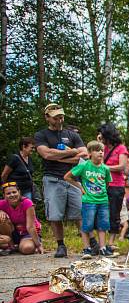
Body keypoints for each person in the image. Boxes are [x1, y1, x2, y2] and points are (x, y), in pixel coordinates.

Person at [34, 103, 88, 258]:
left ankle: (88, 244)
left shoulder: (72, 135)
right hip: (52, 178)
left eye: (61, 116)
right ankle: (61, 245)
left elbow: (84, 155)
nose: (60, 119)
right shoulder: (41, 135)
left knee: (80, 212)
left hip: (73, 178)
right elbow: (47, 154)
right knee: (55, 214)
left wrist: (61, 158)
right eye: (56, 117)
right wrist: (72, 152)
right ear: (47, 117)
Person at [64, 141, 113, 258]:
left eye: (102, 150)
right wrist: (80, 187)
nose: (100, 152)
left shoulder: (105, 168)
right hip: (88, 201)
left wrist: (100, 193)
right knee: (87, 225)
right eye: (97, 150)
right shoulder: (84, 165)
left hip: (103, 201)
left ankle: (102, 248)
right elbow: (67, 177)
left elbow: (107, 183)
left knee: (103, 225)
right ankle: (86, 249)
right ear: (90, 153)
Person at [97, 123, 129, 250]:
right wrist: (99, 144)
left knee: (114, 214)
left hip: (116, 185)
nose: (100, 136)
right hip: (101, 185)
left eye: (102, 134)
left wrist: (105, 167)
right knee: (102, 213)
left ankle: (111, 242)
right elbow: (95, 160)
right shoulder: (102, 148)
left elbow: (122, 166)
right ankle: (102, 244)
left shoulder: (121, 148)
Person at [0, 182, 42, 255]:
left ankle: (15, 246)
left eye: (14, 192)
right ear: (4, 196)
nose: (12, 195)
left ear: (19, 192)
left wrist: (38, 245)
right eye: (8, 193)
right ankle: (11, 245)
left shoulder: (27, 203)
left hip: (27, 233)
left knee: (27, 249)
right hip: (11, 234)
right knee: (1, 217)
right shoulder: (2, 203)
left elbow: (31, 227)